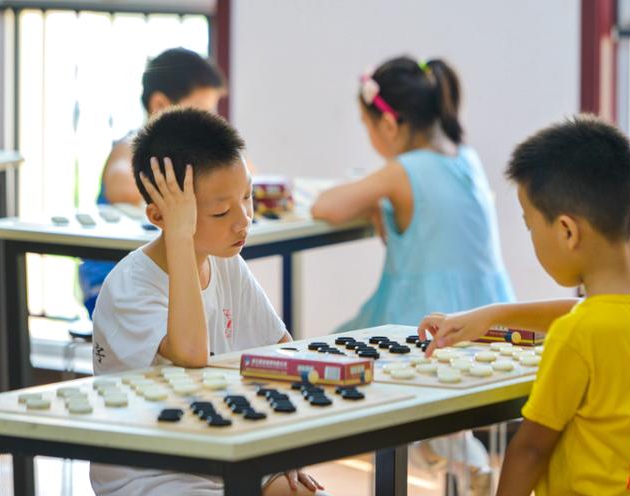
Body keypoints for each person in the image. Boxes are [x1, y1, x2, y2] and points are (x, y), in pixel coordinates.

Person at [419, 115, 630, 495]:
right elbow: (598, 314)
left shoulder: (575, 335)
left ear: (566, 231)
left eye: (530, 225)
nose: (532, 237)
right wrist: (495, 315)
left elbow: (530, 451)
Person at [90, 108, 326, 496]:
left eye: (247, 197)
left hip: (229, 450)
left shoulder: (226, 263)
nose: (243, 220)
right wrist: (179, 237)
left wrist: (283, 448)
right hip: (154, 472)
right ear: (160, 216)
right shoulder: (129, 286)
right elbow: (190, 352)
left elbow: (281, 351)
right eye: (221, 211)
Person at [311, 55, 514, 492]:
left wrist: (374, 194)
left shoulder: (403, 171)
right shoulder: (466, 159)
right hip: (486, 309)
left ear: (388, 125)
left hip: (420, 315)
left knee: (330, 359)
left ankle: (454, 453)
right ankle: (456, 452)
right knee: (426, 388)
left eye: (367, 127)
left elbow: (324, 206)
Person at [79, 47, 226, 317]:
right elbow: (121, 187)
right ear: (160, 106)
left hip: (161, 278)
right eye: (200, 113)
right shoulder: (131, 147)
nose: (207, 126)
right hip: (113, 281)